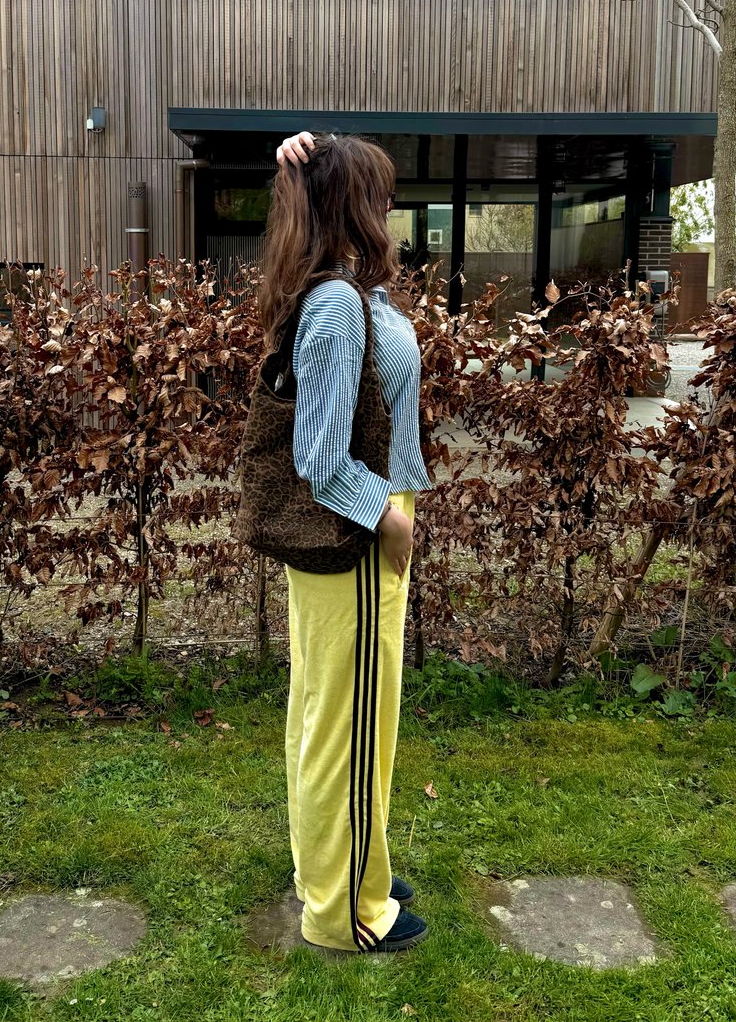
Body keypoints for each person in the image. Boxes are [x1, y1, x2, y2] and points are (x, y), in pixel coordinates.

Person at [258, 129, 432, 952]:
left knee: (326, 715)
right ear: (354, 207)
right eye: (383, 197)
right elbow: (320, 458)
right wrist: (391, 520)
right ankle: (348, 917)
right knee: (352, 726)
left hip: (355, 536)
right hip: (357, 536)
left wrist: (295, 166)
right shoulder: (334, 302)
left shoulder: (349, 292)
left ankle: (343, 869)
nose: (393, 211)